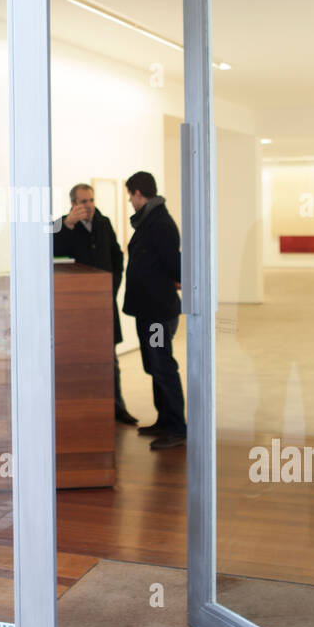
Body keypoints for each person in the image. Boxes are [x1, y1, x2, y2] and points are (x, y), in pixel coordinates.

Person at [53, 182, 137, 424]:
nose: (88, 206)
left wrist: (110, 288)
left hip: (103, 303)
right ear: (73, 204)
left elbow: (117, 258)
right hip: (76, 308)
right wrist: (68, 225)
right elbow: (53, 255)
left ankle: (117, 407)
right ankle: (86, 409)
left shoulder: (103, 222)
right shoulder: (60, 225)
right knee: (80, 359)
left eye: (91, 200)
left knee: (109, 358)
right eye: (83, 202)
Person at [123, 170, 187, 450]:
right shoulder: (150, 221)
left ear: (139, 193)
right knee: (154, 364)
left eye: (130, 196)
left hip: (158, 313)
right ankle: (164, 419)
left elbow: (174, 265)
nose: (129, 201)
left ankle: (177, 427)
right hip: (148, 311)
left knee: (162, 365)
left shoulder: (160, 223)